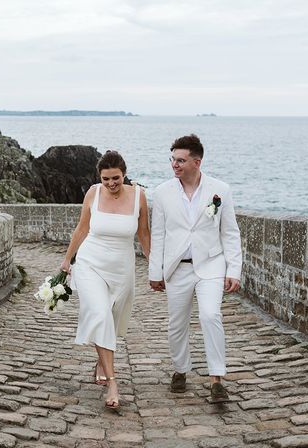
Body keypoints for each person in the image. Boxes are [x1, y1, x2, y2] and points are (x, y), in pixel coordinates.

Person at [149, 134, 242, 402]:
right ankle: (180, 370)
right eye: (173, 160)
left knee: (210, 316)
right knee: (177, 324)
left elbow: (231, 232)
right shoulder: (163, 192)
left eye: (181, 160)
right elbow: (158, 235)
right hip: (177, 268)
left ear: (196, 162)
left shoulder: (220, 190)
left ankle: (217, 380)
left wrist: (233, 270)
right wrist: (156, 272)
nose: (175, 165)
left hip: (212, 264)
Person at [60, 150, 150, 409]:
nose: (111, 184)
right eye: (106, 178)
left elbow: (144, 235)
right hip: (91, 263)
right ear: (100, 177)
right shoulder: (93, 193)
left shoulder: (139, 197)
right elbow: (82, 228)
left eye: (116, 178)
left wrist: (156, 267)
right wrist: (67, 260)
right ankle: (112, 383)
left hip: (122, 267)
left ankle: (102, 360)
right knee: (99, 313)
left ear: (124, 174)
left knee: (111, 318)